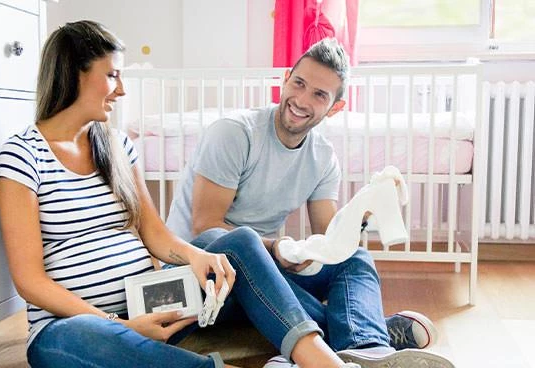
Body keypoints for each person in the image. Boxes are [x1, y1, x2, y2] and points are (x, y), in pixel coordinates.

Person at [0, 21, 374, 368]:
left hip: (153, 299)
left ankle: (325, 360)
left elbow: (155, 235)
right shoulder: (24, 156)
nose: (122, 89)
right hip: (78, 324)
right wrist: (123, 324)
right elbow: (30, 280)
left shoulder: (118, 147)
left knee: (234, 242)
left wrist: (199, 257)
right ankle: (350, 341)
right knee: (73, 340)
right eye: (112, 75)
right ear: (72, 74)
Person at [166, 38, 455, 368]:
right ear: (285, 78)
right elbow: (206, 227)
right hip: (203, 272)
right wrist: (275, 248)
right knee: (245, 243)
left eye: (319, 95)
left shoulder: (322, 157)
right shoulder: (235, 134)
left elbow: (331, 242)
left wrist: (361, 213)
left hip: (264, 269)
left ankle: (368, 348)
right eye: (299, 83)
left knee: (355, 258)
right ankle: (368, 333)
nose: (301, 100)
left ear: (334, 107)